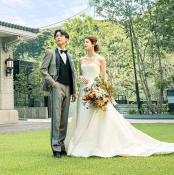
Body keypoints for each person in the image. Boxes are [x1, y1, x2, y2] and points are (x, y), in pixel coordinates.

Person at [65, 35, 174, 157]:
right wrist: (81, 78)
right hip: (83, 91)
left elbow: (103, 76)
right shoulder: (81, 60)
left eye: (87, 42)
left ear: (93, 43)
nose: (84, 44)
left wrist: (102, 91)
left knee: (97, 116)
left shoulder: (100, 59)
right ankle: (78, 143)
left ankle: (97, 143)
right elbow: (80, 74)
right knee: (82, 117)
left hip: (96, 89)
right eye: (84, 42)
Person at [40, 29, 76, 158]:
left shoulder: (70, 56)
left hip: (68, 87)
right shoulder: (50, 53)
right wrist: (53, 83)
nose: (58, 38)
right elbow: (43, 69)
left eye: (61, 36)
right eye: (56, 36)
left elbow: (73, 74)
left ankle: (61, 146)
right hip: (57, 86)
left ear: (66, 39)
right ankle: (55, 148)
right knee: (56, 118)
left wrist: (74, 91)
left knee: (64, 119)